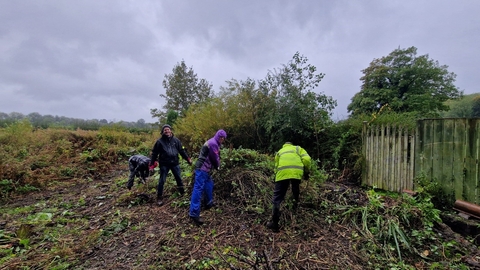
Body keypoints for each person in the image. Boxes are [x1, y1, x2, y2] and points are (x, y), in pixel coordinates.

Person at [266, 142, 311, 232]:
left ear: (284, 145)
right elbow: (307, 159)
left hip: (282, 174)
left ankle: (275, 223)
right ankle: (295, 207)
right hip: (296, 173)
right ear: (291, 145)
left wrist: (276, 176)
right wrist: (306, 172)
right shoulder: (298, 148)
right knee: (295, 189)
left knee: (277, 198)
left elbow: (276, 166)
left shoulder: (279, 152)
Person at [189, 129, 227, 225]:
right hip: (202, 168)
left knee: (209, 184)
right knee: (198, 189)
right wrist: (218, 166)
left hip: (207, 169)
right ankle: (194, 214)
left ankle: (208, 203)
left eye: (223, 138)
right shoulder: (213, 143)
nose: (222, 139)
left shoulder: (215, 143)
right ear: (217, 136)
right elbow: (215, 157)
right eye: (221, 137)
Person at [150, 124, 192, 206]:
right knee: (162, 180)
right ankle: (159, 197)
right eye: (165, 130)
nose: (167, 131)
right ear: (163, 132)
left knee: (179, 179)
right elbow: (154, 153)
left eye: (168, 129)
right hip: (164, 164)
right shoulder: (159, 142)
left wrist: (188, 159)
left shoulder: (176, 140)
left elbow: (181, 151)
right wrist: (151, 164)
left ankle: (182, 194)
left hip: (175, 163)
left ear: (170, 130)